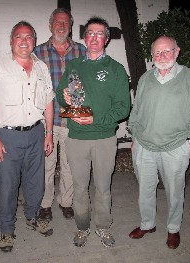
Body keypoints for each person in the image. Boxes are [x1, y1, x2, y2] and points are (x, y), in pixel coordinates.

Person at [0, 21, 55, 253]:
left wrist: (48, 133)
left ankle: (32, 217)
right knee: (8, 187)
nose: (24, 41)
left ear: (34, 40)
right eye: (19, 36)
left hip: (36, 134)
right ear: (11, 41)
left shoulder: (41, 67)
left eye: (29, 37)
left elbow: (49, 101)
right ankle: (7, 229)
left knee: (36, 183)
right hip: (7, 137)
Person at [56, 17, 130, 248]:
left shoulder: (116, 69)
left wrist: (96, 118)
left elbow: (123, 108)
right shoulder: (74, 65)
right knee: (78, 187)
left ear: (106, 39)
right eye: (90, 33)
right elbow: (60, 93)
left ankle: (103, 226)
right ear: (85, 38)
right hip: (76, 138)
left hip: (105, 139)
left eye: (100, 34)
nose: (95, 38)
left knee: (102, 188)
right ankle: (82, 227)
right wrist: (64, 97)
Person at [127, 35, 190, 249]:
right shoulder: (146, 78)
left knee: (175, 191)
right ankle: (147, 224)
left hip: (175, 146)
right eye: (157, 52)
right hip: (144, 145)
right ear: (152, 55)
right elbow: (137, 110)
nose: (162, 56)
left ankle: (173, 229)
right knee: (145, 189)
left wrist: (189, 142)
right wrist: (135, 136)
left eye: (167, 51)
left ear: (177, 51)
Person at [34, 8, 86, 220]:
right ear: (50, 25)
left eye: (66, 23)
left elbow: (89, 84)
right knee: (45, 165)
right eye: (57, 22)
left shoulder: (82, 51)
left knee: (69, 165)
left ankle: (66, 201)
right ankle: (45, 203)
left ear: (71, 26)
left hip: (72, 119)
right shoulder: (37, 52)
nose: (62, 26)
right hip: (45, 121)